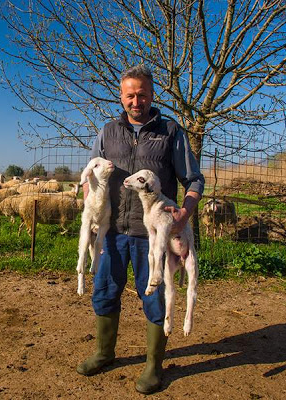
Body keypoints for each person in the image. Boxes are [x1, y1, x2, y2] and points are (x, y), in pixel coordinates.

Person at [77, 65, 205, 394]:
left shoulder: (171, 132)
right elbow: (90, 177)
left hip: (154, 236)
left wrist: (185, 214)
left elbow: (194, 180)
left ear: (152, 95)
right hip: (112, 232)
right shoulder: (107, 132)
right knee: (104, 292)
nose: (137, 101)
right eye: (130, 95)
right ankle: (104, 352)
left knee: (157, 300)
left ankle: (153, 366)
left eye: (143, 94)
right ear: (121, 97)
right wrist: (91, 213)